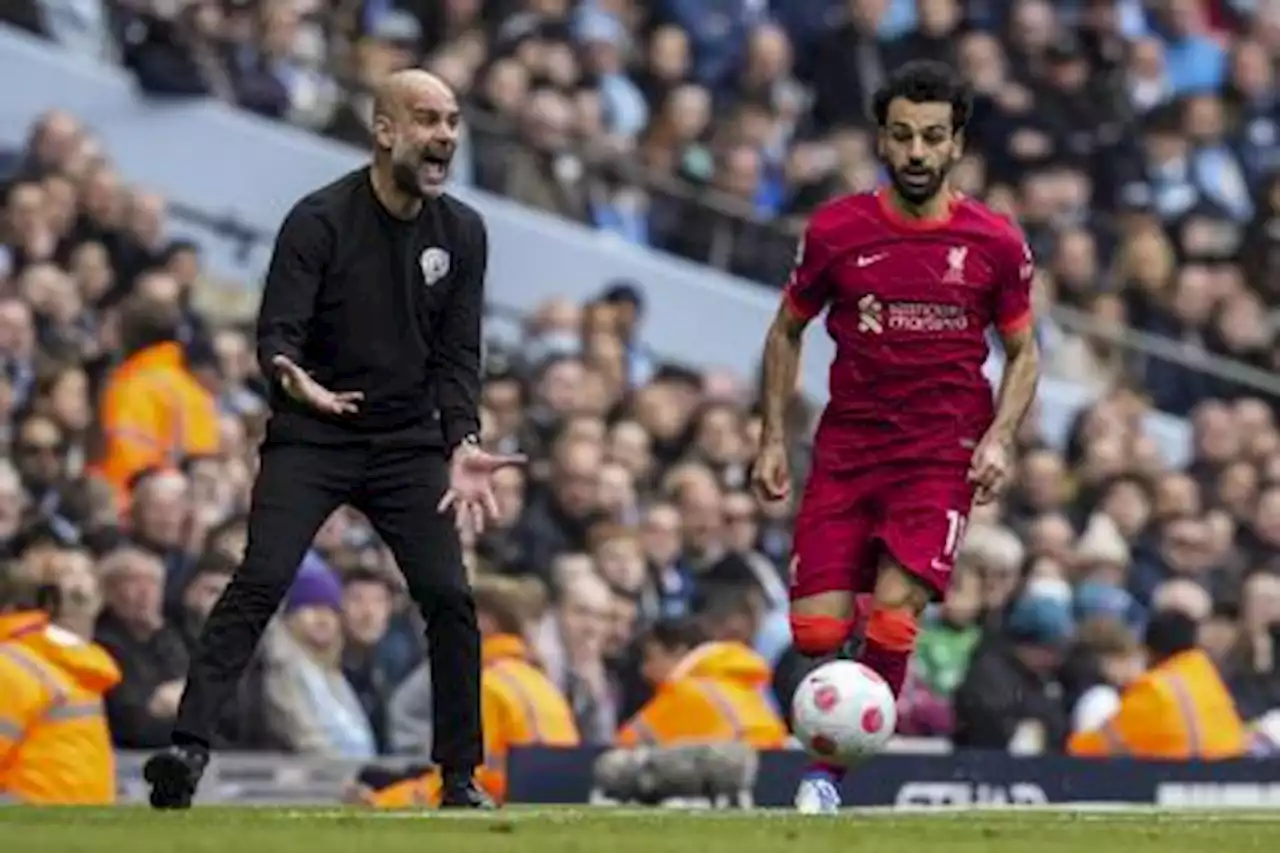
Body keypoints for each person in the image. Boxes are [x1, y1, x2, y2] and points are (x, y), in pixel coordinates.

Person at [143, 69, 523, 810]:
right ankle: (186, 750)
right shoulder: (318, 220)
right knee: (260, 578)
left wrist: (463, 439)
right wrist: (292, 378)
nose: (444, 134)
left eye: (451, 120)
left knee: (450, 595)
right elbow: (276, 332)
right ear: (384, 132)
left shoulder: (464, 232)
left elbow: (458, 357)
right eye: (426, 119)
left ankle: (458, 775)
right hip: (315, 435)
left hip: (411, 442)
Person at [750, 60, 1041, 814]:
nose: (917, 152)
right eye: (904, 136)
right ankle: (841, 719)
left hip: (939, 455)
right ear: (882, 139)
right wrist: (772, 438)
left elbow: (1025, 350)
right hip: (848, 448)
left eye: (933, 138)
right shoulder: (836, 231)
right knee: (816, 627)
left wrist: (1000, 438)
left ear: (956, 145)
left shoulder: (995, 242)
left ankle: (829, 777)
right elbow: (786, 330)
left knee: (892, 613)